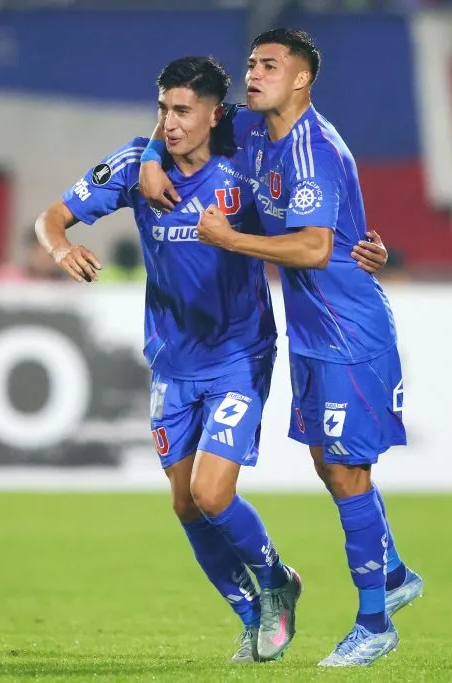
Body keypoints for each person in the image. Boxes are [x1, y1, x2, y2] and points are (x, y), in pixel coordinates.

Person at [138, 30, 422, 668]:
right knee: (329, 464)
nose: (255, 73)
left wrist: (229, 241)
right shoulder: (258, 131)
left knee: (348, 473)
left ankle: (375, 623)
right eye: (252, 63)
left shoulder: (313, 148)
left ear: (302, 80)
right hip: (313, 334)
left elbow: (316, 248)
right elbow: (183, 116)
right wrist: (152, 155)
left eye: (270, 66)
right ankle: (396, 573)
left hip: (350, 331)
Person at [34, 56, 302, 664]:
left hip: (240, 353)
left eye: (183, 111)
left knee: (211, 494)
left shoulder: (248, 161)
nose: (170, 122)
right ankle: (250, 612)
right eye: (163, 109)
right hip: (173, 363)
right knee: (184, 504)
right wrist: (62, 247)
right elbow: (49, 218)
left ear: (214, 114)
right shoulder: (135, 165)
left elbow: (304, 228)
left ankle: (276, 580)